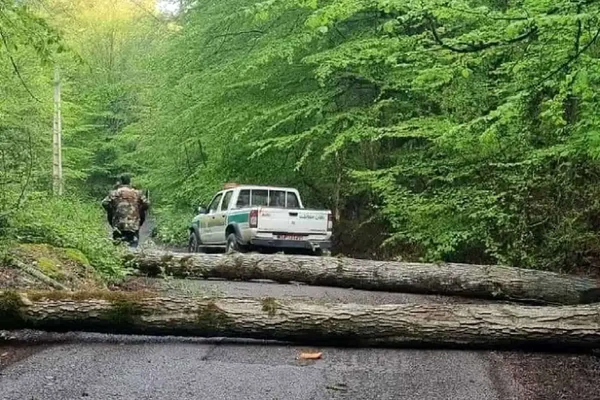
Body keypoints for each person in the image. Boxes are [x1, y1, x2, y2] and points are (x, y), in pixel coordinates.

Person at [101, 174, 150, 247]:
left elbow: (104, 203)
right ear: (130, 182)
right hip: (133, 224)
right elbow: (147, 204)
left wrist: (112, 210)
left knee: (118, 244)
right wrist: (139, 210)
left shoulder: (115, 192)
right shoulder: (138, 193)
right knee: (133, 244)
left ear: (121, 181)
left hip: (118, 223)